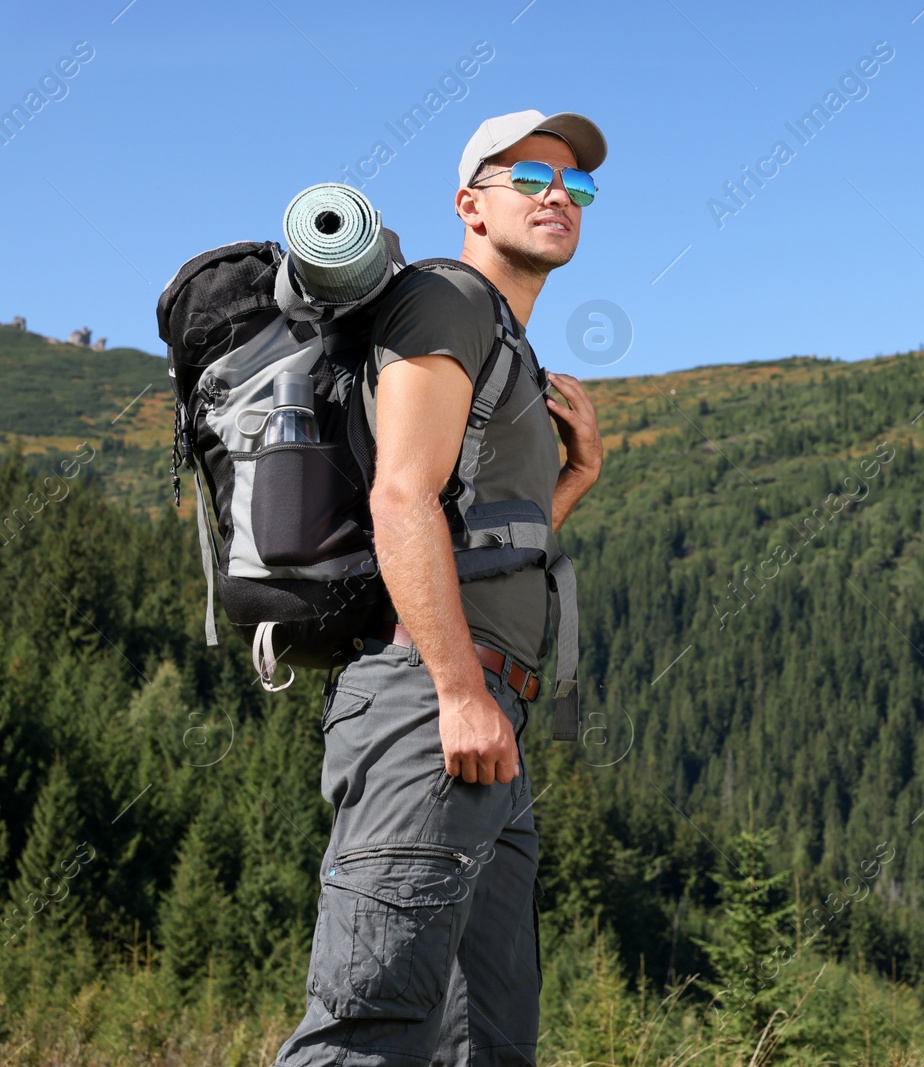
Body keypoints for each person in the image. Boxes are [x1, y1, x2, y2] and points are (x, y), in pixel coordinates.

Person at [274, 108, 607, 1066]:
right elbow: (400, 494)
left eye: (577, 187)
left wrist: (570, 483)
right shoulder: (446, 299)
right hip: (433, 701)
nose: (559, 196)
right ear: (470, 203)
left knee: (489, 1043)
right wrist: (460, 690)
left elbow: (481, 543)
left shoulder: (506, 340)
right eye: (531, 178)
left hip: (489, 720)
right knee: (371, 1029)